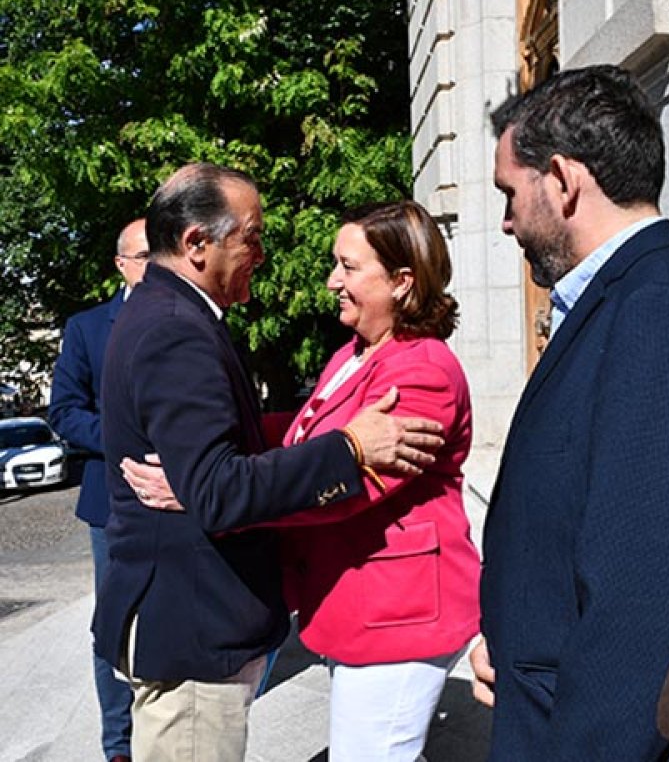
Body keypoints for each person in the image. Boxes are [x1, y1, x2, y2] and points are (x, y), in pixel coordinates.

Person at [95, 163, 444, 762]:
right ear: (196, 244)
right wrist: (351, 449)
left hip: (206, 623)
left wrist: (213, 473)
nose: (262, 252)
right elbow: (220, 492)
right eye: (250, 237)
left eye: (349, 266)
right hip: (194, 631)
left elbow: (245, 448)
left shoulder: (167, 311)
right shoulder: (176, 329)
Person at [469, 64, 669, 759]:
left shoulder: (665, 307)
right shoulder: (624, 300)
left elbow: (661, 592)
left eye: (511, 193)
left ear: (562, 180)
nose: (506, 222)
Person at [48, 218, 149, 762]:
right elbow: (64, 412)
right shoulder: (87, 328)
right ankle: (119, 745)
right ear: (121, 265)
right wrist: (125, 441)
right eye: (144, 257)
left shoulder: (191, 316)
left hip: (182, 496)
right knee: (114, 621)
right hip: (112, 502)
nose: (156, 266)